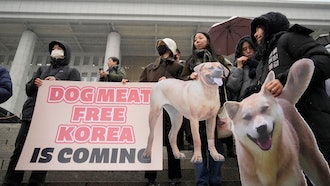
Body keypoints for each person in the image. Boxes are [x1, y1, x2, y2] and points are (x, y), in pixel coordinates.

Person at [250, 12, 330, 167]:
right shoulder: (262, 63)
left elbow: (323, 60)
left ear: (270, 25)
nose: (255, 34)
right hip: (283, 131)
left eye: (259, 27)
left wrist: (285, 80)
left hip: (310, 121)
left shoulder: (291, 38)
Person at [2, 40, 81, 186]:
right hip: (31, 114)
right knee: (19, 149)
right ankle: (11, 181)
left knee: (43, 152)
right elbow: (28, 89)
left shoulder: (71, 72)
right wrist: (35, 83)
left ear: (66, 52)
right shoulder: (42, 69)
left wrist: (57, 82)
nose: (55, 50)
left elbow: (76, 92)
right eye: (53, 48)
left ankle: (36, 182)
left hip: (52, 119)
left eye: (59, 48)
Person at [181, 32, 229, 186]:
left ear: (208, 40)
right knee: (199, 145)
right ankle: (201, 182)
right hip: (195, 108)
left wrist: (222, 77)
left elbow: (227, 76)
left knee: (216, 144)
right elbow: (182, 78)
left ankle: (216, 180)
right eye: (195, 39)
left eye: (200, 38)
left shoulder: (218, 59)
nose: (197, 41)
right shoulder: (190, 60)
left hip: (214, 108)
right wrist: (190, 77)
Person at [140, 38, 183, 186]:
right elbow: (140, 87)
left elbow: (185, 87)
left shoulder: (178, 67)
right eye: (159, 45)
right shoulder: (149, 68)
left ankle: (175, 178)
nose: (161, 48)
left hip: (173, 113)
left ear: (171, 47)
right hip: (155, 112)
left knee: (173, 145)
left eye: (163, 45)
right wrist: (126, 84)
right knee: (152, 143)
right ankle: (151, 179)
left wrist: (169, 80)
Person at [175, 48, 193, 150]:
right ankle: (179, 143)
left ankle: (190, 140)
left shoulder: (184, 65)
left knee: (187, 121)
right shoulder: (168, 66)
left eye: (176, 54)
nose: (175, 56)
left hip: (186, 97)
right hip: (174, 98)